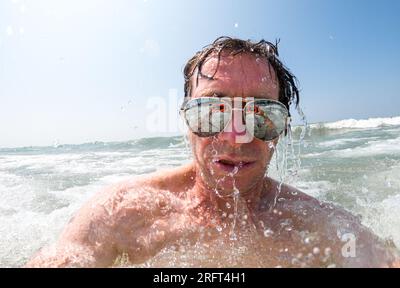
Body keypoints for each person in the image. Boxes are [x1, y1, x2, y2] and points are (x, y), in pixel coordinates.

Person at [26, 37, 399, 267]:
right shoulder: (121, 213)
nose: (236, 138)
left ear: (282, 128)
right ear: (187, 120)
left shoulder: (317, 225)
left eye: (261, 114)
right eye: (211, 112)